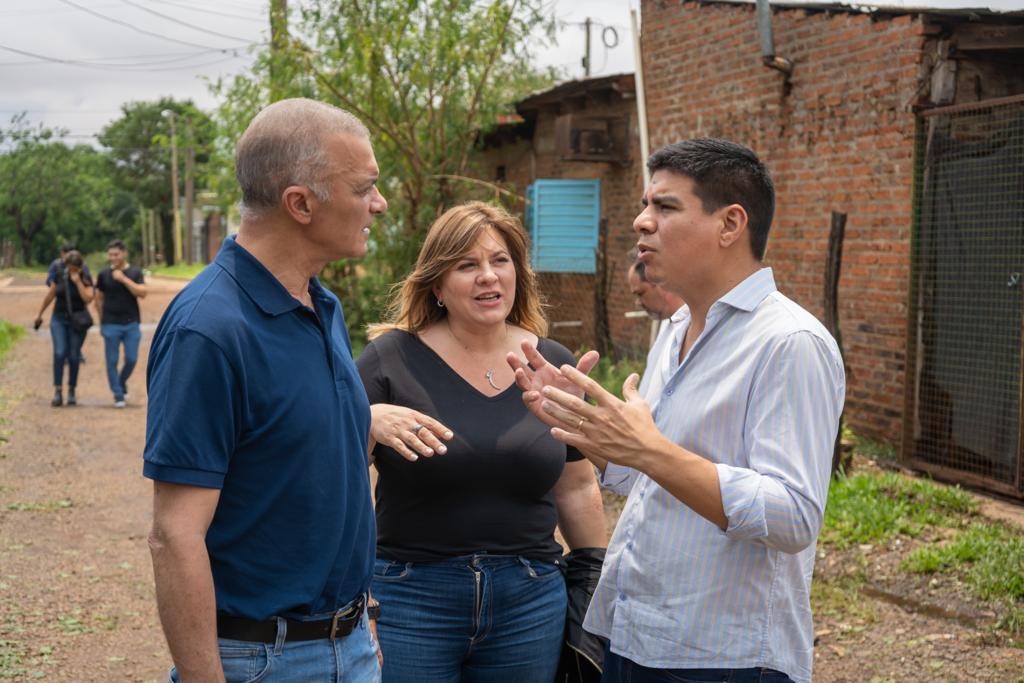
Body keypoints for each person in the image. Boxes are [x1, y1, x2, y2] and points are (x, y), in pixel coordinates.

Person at [508, 139, 846, 683]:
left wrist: (650, 449)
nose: (642, 222)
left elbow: (794, 515)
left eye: (664, 207)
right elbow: (649, 475)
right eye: (646, 205)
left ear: (730, 224)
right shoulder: (674, 329)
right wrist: (581, 426)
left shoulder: (790, 341)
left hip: (722, 656)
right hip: (637, 630)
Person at [143, 98, 388, 682]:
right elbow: (174, 536)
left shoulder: (319, 302)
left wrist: (356, 625)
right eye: (364, 189)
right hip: (262, 661)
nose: (377, 204)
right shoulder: (210, 328)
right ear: (300, 203)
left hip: (348, 644)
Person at [356, 201, 607, 682]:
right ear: (437, 285)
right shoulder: (390, 360)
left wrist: (593, 579)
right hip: (410, 598)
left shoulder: (549, 362)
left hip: (530, 602)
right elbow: (338, 479)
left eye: (500, 261)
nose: (488, 277)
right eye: (467, 265)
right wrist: (363, 420)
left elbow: (575, 486)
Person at [34, 250, 94, 407]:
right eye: (69, 267)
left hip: (77, 321)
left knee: (74, 356)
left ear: (80, 267)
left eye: (75, 268)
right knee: (60, 352)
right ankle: (58, 391)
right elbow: (50, 294)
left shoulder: (85, 277)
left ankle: (72, 390)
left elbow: (88, 298)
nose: (71, 270)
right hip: (58, 319)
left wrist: (78, 282)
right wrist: (40, 314)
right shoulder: (60, 274)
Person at [95, 239, 146, 408]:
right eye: (110, 255)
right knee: (112, 361)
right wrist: (101, 321)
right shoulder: (103, 274)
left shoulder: (135, 272)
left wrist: (123, 279)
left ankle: (121, 381)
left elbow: (143, 292)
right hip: (110, 323)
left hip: (131, 323)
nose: (113, 258)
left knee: (131, 359)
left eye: (116, 254)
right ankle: (118, 394)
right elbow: (99, 298)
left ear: (124, 254)